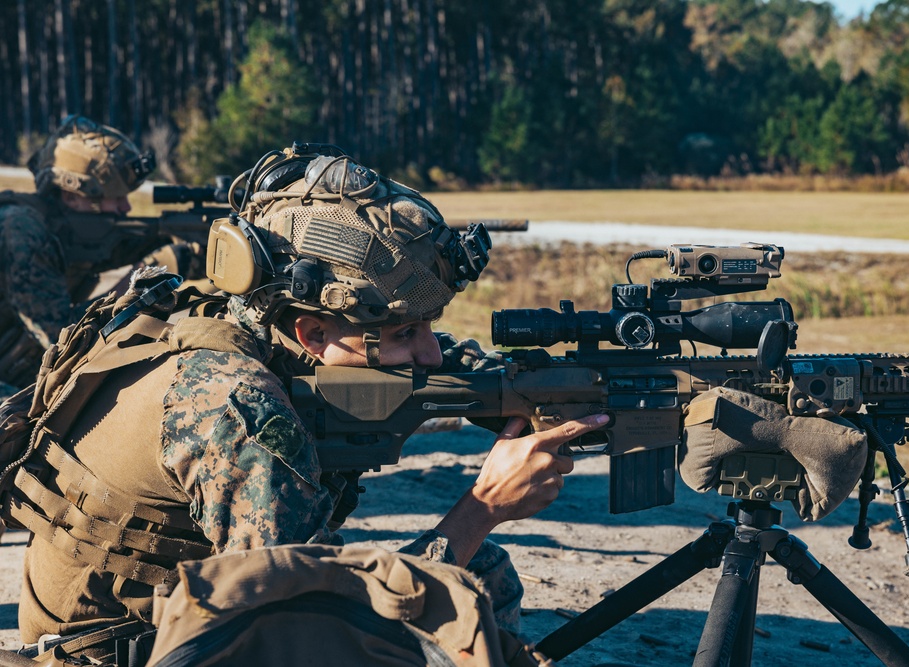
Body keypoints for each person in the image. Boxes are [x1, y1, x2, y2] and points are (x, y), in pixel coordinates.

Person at [4, 145, 607, 664]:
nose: (428, 352)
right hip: (129, 653)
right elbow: (303, 628)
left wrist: (546, 385)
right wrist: (482, 507)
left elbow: (437, 361)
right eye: (403, 334)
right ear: (312, 333)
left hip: (145, 626)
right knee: (473, 579)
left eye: (428, 327)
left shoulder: (217, 321)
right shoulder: (234, 410)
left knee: (476, 575)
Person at [0, 115, 157, 401]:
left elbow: (119, 246)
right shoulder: (22, 230)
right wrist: (136, 287)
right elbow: (63, 336)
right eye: (116, 196)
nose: (126, 206)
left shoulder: (62, 228)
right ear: (73, 197)